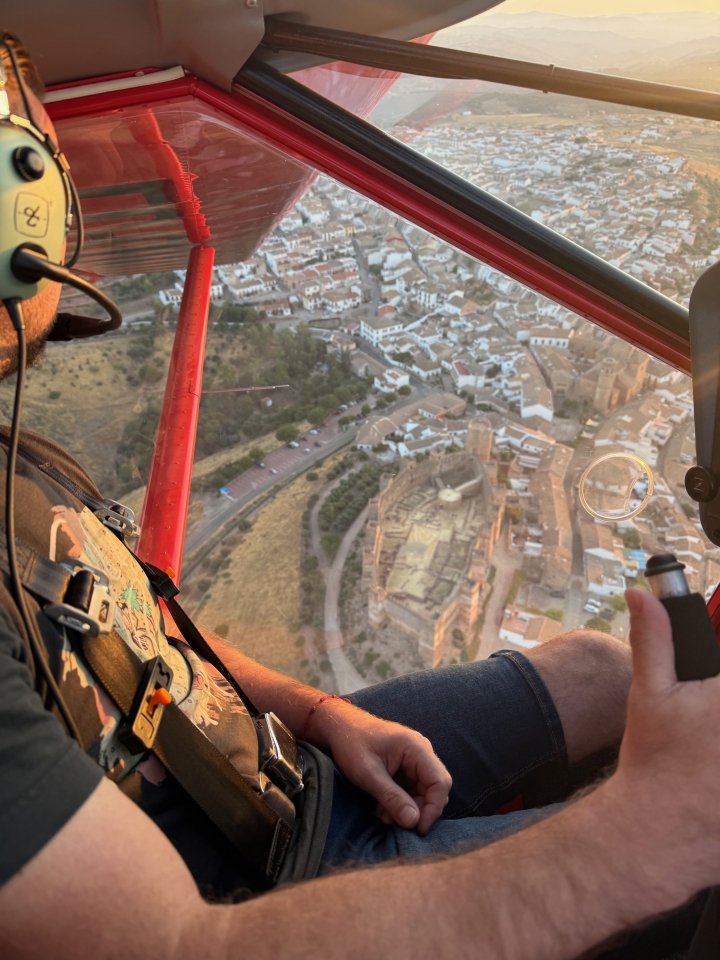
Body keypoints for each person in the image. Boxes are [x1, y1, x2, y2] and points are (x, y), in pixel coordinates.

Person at [1, 34, 718, 959]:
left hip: (280, 778)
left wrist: (319, 713)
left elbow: (136, 617)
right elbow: (179, 947)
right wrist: (650, 835)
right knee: (687, 894)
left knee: (603, 672)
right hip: (250, 903)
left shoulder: (24, 456)